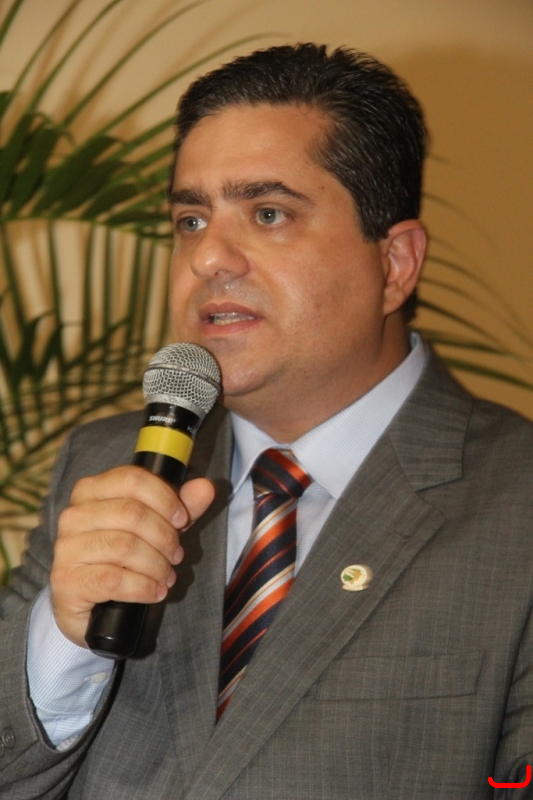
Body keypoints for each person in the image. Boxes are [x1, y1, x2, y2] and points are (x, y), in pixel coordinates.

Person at [1, 43, 532, 799]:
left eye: (268, 213)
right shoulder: (106, 467)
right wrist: (61, 644)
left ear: (394, 264)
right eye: (190, 219)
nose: (209, 258)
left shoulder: (516, 501)